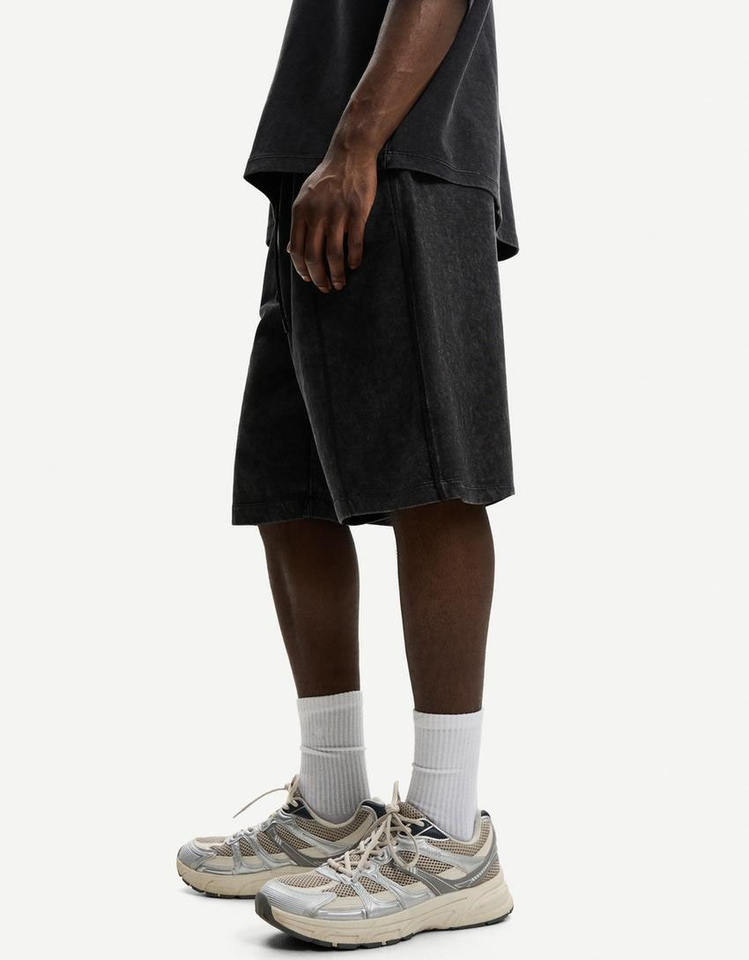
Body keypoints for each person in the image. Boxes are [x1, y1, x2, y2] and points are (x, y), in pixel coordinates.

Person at [177, 0, 518, 946]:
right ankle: (331, 807)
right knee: (289, 490)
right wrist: (330, 153)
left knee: (433, 475)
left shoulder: (370, 152)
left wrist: (358, 145)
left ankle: (448, 835)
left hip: (393, 159)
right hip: (318, 162)